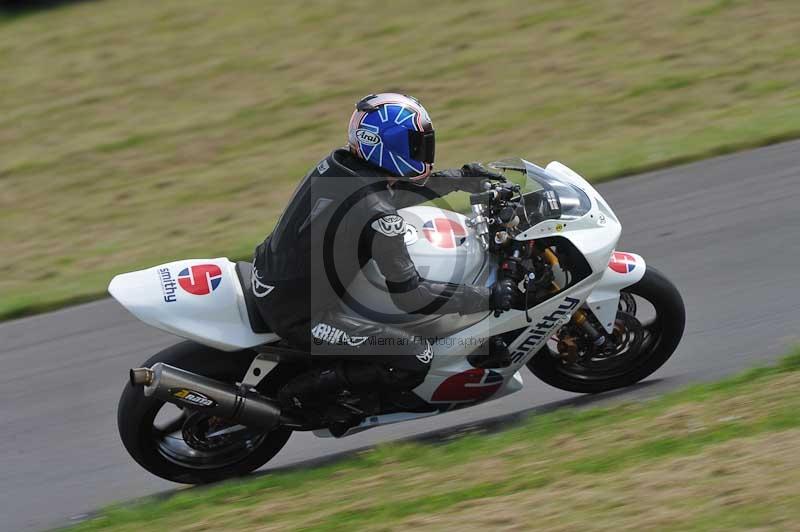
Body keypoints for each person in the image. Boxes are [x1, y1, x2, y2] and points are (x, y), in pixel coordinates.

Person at [252, 93, 517, 425]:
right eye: (416, 145)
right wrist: (485, 296)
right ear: (389, 147)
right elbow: (413, 296)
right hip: (300, 314)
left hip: (275, 274)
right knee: (416, 357)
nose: (423, 151)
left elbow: (397, 191)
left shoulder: (342, 164)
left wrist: (464, 178)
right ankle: (297, 401)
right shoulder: (376, 212)